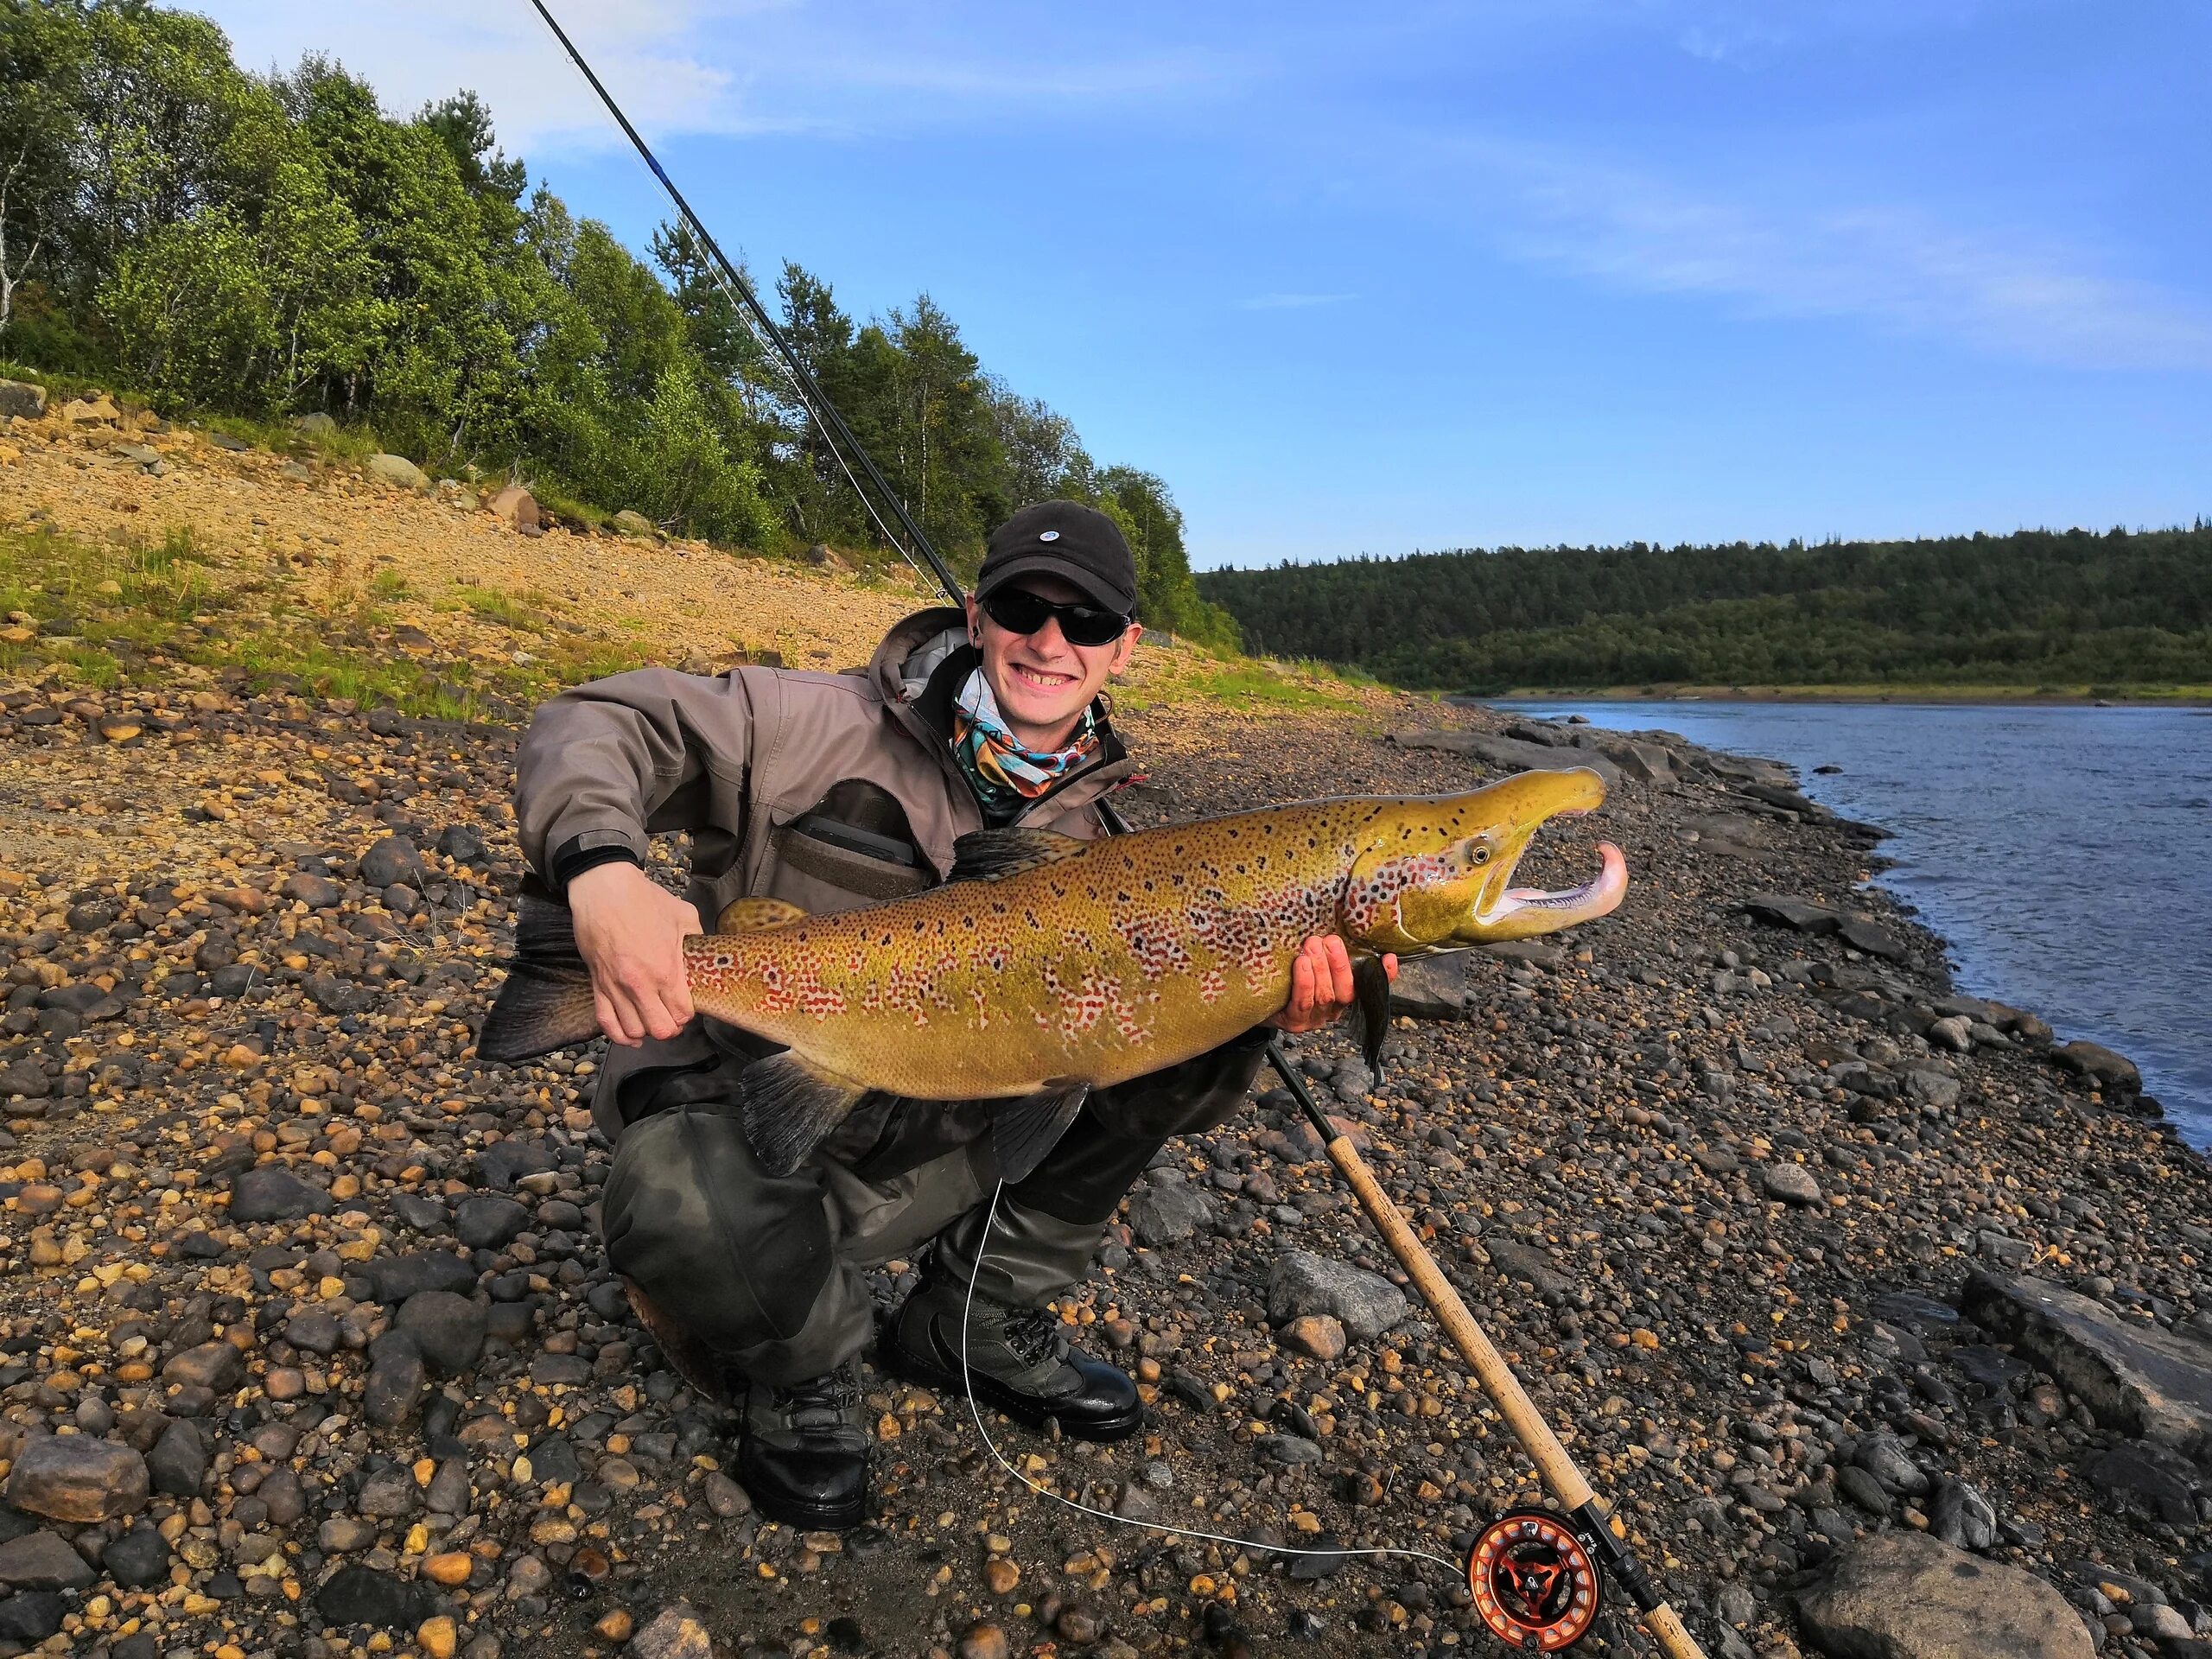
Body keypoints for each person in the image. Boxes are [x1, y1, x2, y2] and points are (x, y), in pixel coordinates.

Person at [512, 499, 1390, 1530]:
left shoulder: (1116, 853)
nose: (1051, 641)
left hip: (938, 1135)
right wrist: (601, 871)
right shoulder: (802, 724)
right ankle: (804, 1370)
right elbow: (591, 722)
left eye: (1088, 623)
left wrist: (1257, 1002)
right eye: (1024, 606)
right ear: (975, 617)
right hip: (756, 1107)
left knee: (1188, 1043)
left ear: (1126, 648)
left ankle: (973, 1316)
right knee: (674, 1196)